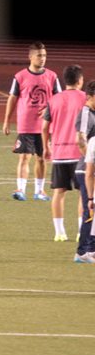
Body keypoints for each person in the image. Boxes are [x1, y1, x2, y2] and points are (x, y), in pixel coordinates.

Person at [2, 42, 60, 201]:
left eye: (44, 55)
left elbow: (59, 98)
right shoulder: (20, 76)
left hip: (45, 126)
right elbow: (12, 98)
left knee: (41, 158)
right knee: (24, 157)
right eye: (39, 55)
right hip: (26, 123)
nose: (43, 59)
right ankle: (20, 189)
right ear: (30, 56)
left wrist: (49, 109)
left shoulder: (52, 76)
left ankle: (39, 191)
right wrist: (7, 120)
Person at [41, 65, 86, 243]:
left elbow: (44, 127)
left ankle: (59, 232)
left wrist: (46, 147)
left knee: (59, 193)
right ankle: (82, 231)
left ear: (64, 81)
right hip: (80, 152)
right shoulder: (86, 98)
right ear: (80, 81)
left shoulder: (54, 100)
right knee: (84, 192)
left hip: (59, 152)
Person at [74, 81, 95, 263]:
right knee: (90, 210)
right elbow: (80, 139)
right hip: (86, 170)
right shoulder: (87, 113)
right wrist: (90, 161)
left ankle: (91, 249)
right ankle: (82, 252)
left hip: (90, 168)